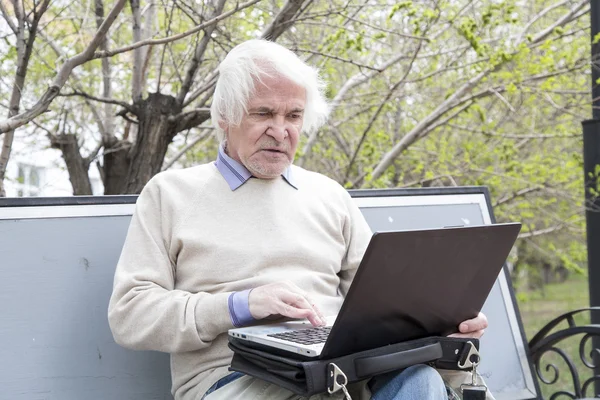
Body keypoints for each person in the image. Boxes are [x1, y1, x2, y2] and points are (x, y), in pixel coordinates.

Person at [108, 39, 488, 400]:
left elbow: (383, 307)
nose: (280, 130)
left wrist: (440, 328)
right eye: (263, 113)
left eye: (293, 115)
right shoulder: (170, 193)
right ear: (225, 115)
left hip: (346, 373)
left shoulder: (329, 196)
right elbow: (130, 314)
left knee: (419, 381)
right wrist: (240, 305)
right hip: (238, 377)